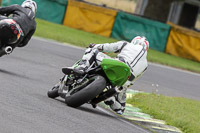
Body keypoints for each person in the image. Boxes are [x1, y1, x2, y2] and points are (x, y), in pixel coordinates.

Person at [64, 36, 149, 115]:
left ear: (133, 41)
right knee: (121, 109)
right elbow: (133, 80)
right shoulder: (145, 65)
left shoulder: (126, 44)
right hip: (124, 79)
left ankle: (81, 68)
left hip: (117, 64)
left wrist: (95, 46)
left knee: (92, 51)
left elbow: (106, 47)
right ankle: (110, 99)